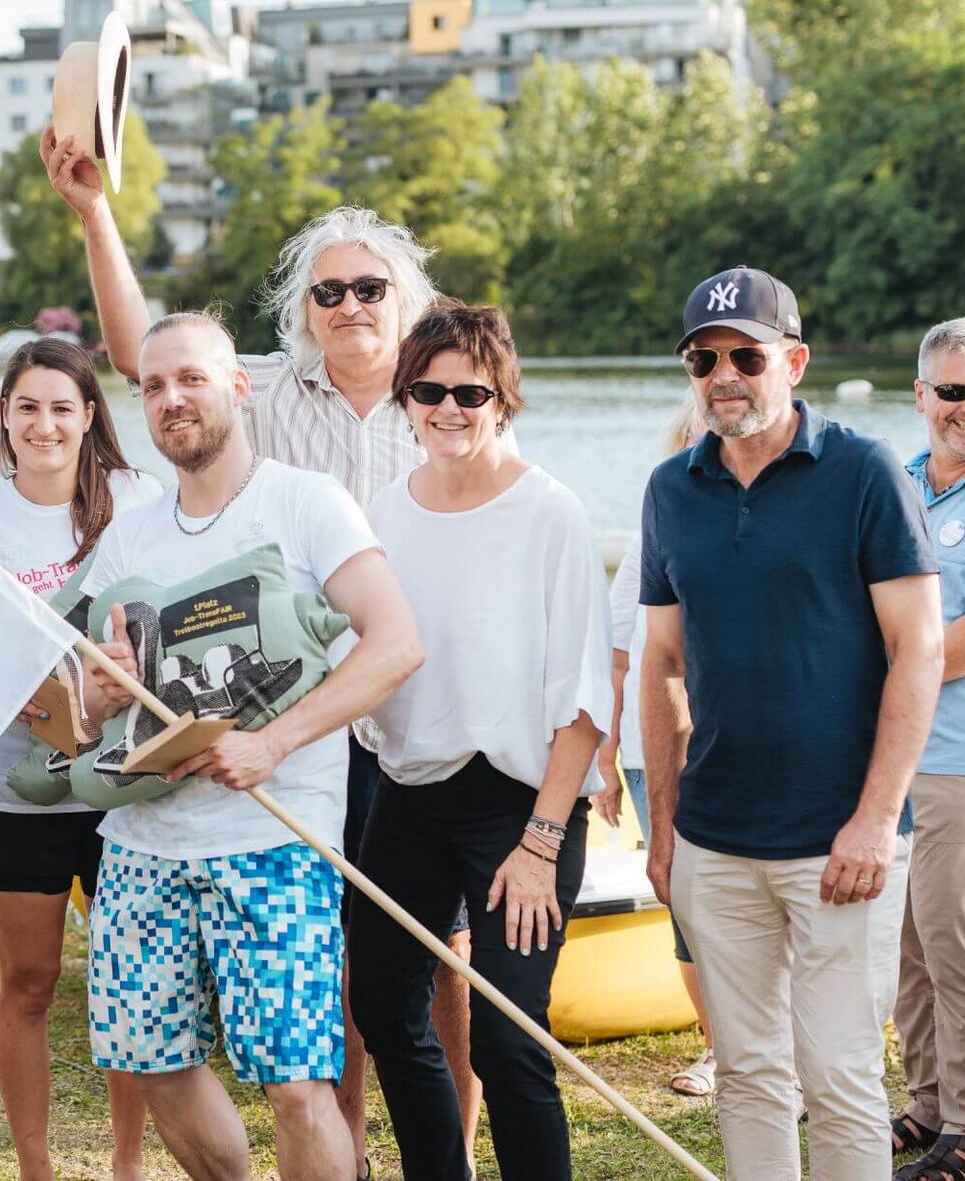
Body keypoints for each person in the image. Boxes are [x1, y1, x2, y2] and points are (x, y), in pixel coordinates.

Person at [43, 131, 485, 1177]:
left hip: (398, 726)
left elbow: (432, 608)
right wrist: (97, 211)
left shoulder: (452, 393)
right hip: (243, 755)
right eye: (327, 291)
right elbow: (145, 349)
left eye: (367, 286)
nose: (347, 305)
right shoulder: (267, 401)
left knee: (432, 965)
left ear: (403, 296)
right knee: (299, 1032)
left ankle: (446, 1157)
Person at [79, 311, 423, 1181]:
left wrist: (273, 743)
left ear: (238, 386)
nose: (171, 400)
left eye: (190, 378)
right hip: (142, 847)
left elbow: (395, 642)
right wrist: (101, 684)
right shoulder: (130, 534)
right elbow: (80, 705)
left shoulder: (305, 503)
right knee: (153, 1063)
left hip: (274, 840)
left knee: (297, 1086)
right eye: (153, 386)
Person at [640, 266, 942, 1180]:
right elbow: (659, 664)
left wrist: (874, 818)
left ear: (795, 360)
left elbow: (919, 647)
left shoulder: (864, 470)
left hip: (839, 841)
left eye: (745, 354)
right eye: (704, 358)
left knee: (842, 1076)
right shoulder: (670, 488)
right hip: (717, 838)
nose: (723, 373)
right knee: (749, 1072)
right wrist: (664, 824)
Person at [350, 302, 610, 1181]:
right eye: (428, 390)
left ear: (503, 397)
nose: (448, 408)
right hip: (413, 794)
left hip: (523, 804)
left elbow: (582, 699)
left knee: (507, 1034)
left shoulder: (551, 512)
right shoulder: (388, 505)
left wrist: (540, 844)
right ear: (406, 397)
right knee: (383, 1005)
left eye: (470, 390)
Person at [0, 337, 160, 1181]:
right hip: (18, 787)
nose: (43, 424)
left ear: (90, 416)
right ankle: (36, 1166)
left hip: (127, 787)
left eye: (61, 407)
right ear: (6, 419)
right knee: (31, 982)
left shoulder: (136, 499)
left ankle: (127, 1163)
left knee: (126, 987)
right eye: (26, 408)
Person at [889, 318, 965, 1181]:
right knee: (910, 941)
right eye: (957, 390)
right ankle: (929, 1101)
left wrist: (884, 680)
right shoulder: (893, 485)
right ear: (922, 395)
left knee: (957, 940)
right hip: (889, 755)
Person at [601, 394, 718, 1098]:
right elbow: (620, 646)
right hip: (655, 750)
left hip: (733, 744)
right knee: (682, 900)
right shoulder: (659, 511)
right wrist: (605, 753)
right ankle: (719, 1049)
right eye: (697, 422)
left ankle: (777, 1052)